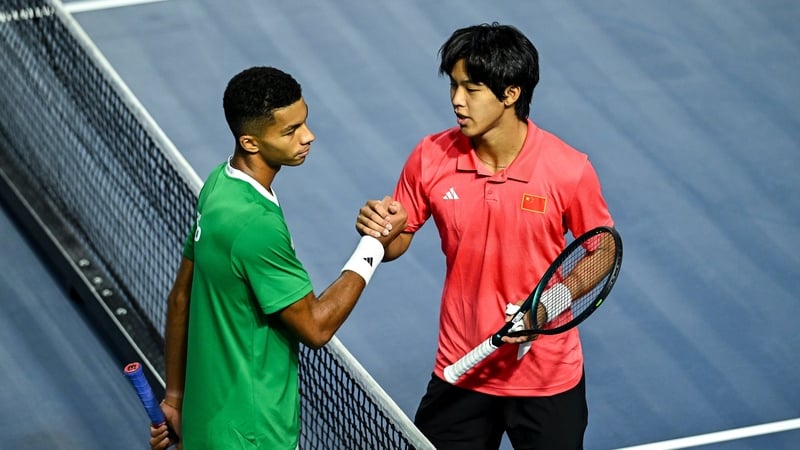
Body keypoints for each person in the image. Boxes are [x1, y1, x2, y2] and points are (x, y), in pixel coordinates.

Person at [357, 23, 614, 449]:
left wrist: (546, 306)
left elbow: (601, 249)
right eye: (454, 86)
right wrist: (381, 232)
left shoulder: (568, 169)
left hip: (546, 380)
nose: (457, 100)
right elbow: (399, 239)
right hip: (462, 368)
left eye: (471, 89)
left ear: (510, 93)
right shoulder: (431, 156)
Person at [149, 66, 406, 450]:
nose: (308, 137)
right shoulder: (257, 226)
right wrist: (373, 245)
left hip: (207, 420)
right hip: (254, 432)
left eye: (304, 122)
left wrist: (174, 398)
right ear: (251, 142)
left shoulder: (219, 185)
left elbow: (180, 299)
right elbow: (316, 327)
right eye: (290, 131)